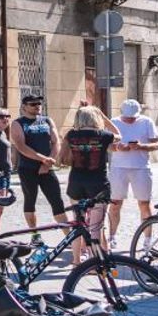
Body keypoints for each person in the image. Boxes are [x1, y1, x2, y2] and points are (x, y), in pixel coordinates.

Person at [63, 105, 115, 264]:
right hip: (98, 184)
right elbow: (120, 135)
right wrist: (104, 118)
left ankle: (76, 261)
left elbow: (62, 159)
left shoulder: (71, 135)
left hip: (76, 182)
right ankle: (93, 263)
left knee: (77, 224)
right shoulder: (104, 135)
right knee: (96, 227)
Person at [10, 94, 65, 240]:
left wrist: (49, 162)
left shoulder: (47, 120)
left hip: (47, 168)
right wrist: (43, 159)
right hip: (28, 168)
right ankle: (35, 234)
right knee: (30, 200)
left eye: (39, 103)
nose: (37, 106)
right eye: (33, 104)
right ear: (24, 107)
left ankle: (70, 238)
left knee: (57, 201)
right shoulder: (18, 123)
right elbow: (21, 146)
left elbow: (56, 142)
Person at [107, 98, 158, 246]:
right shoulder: (114, 122)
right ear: (122, 114)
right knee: (115, 203)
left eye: (133, 118)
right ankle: (112, 236)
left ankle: (148, 239)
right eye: (127, 118)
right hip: (119, 168)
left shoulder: (147, 122)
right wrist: (117, 148)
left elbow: (157, 144)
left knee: (144, 203)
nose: (130, 120)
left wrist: (141, 146)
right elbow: (107, 146)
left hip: (141, 167)